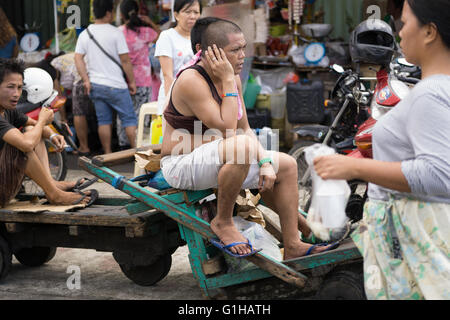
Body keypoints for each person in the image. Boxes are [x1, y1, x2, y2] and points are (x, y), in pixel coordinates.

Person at [160, 19, 335, 259]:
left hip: (219, 155)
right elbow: (228, 128)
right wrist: (229, 80)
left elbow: (245, 129)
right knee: (241, 148)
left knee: (286, 165)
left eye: (243, 48)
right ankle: (223, 222)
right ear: (211, 53)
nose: (242, 56)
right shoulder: (192, 80)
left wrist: (264, 163)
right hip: (180, 163)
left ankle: (293, 243)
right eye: (235, 50)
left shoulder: (234, 78)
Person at [314, 0, 450, 300]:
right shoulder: (434, 88)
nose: (399, 32)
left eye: (404, 22)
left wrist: (352, 168)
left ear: (429, 32)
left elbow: (440, 175)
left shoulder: (431, 94)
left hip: (418, 237)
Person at [0, 58, 96, 207]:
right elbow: (26, 144)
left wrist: (52, 134)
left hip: (6, 188)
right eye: (10, 87)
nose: (16, 93)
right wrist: (43, 121)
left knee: (32, 130)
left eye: (19, 87)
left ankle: (51, 184)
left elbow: (35, 126)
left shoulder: (8, 111)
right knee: (22, 146)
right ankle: (54, 194)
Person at [75, 0, 138, 154]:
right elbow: (125, 61)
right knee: (129, 120)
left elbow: (78, 58)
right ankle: (138, 153)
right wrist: (132, 82)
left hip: (97, 85)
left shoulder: (85, 33)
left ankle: (108, 154)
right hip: (117, 86)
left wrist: (86, 80)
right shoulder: (116, 32)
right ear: (109, 12)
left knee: (104, 121)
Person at [116, 0, 160, 149]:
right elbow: (160, 36)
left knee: (124, 113)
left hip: (123, 78)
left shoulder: (119, 32)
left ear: (121, 14)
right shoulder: (145, 31)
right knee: (141, 113)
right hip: (143, 79)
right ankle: (140, 143)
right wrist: (150, 22)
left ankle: (124, 145)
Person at [154, 0, 201, 114]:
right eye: (187, 12)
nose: (192, 16)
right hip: (173, 101)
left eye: (196, 12)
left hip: (198, 102)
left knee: (197, 130)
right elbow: (167, 75)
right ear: (176, 15)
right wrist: (172, 106)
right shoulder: (167, 36)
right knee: (176, 132)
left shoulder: (201, 37)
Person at [50, 52, 95, 156]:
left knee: (78, 113)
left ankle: (84, 147)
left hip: (81, 78)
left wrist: (63, 117)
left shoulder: (53, 66)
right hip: (95, 76)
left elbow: (58, 97)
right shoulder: (63, 60)